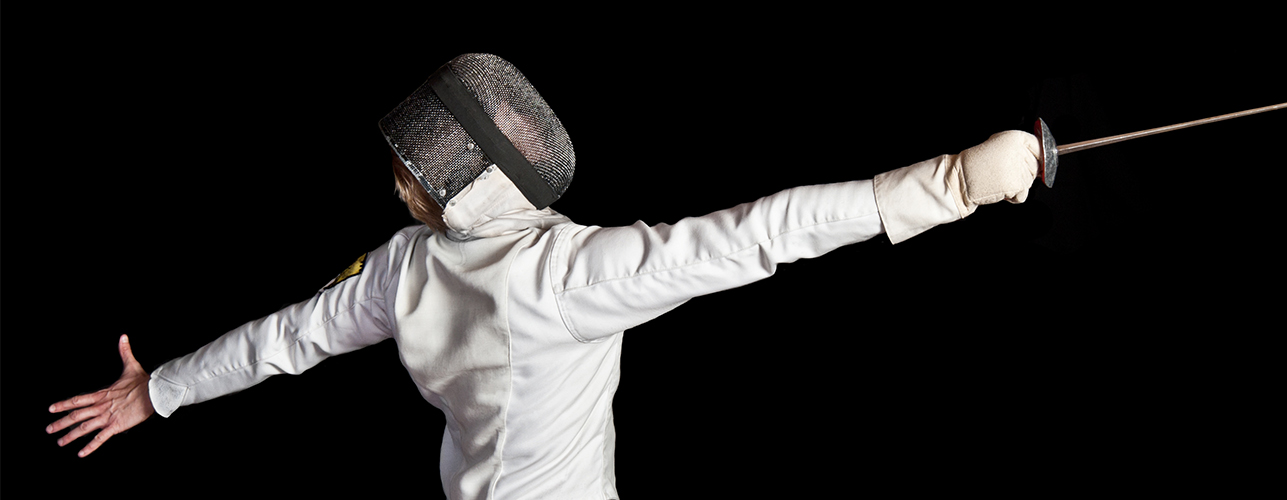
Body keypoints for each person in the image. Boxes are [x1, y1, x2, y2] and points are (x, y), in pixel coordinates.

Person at [44, 53, 1042, 500]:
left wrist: (157, 391)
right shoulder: (550, 272)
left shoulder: (410, 268)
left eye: (433, 151)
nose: (407, 169)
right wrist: (949, 184)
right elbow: (753, 237)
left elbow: (285, 339)